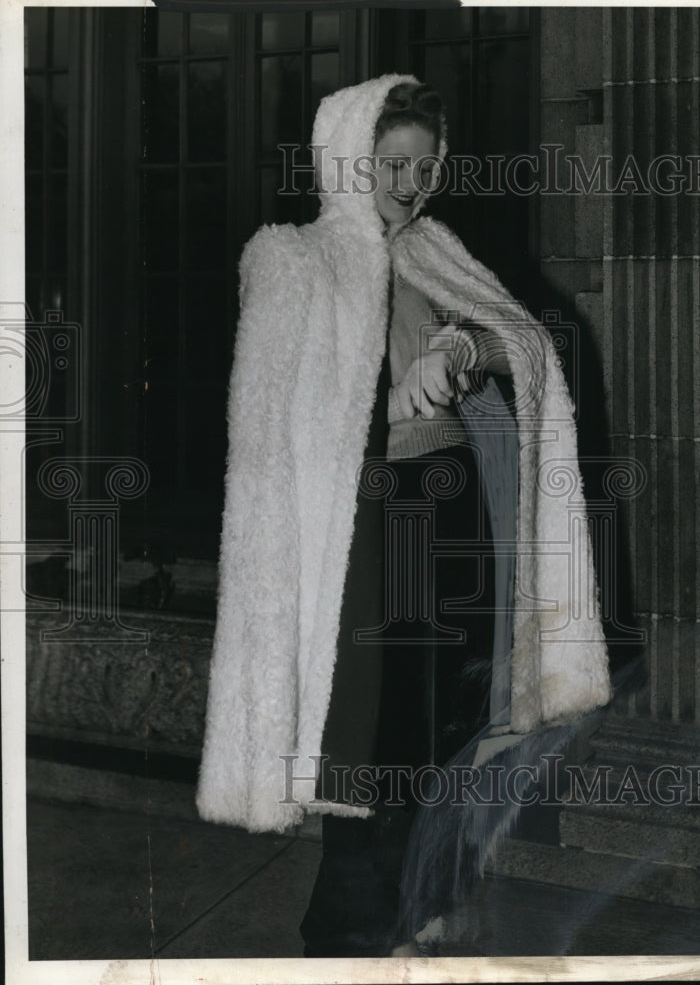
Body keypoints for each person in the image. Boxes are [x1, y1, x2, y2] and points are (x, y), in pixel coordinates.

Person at [196, 74, 612, 956]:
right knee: (364, 742)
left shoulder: (438, 252)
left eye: (425, 164)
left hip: (454, 516)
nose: (410, 181)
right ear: (351, 159)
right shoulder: (291, 257)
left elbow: (529, 347)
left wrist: (468, 345)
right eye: (392, 163)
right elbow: (274, 429)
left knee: (437, 734)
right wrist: (393, 403)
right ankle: (347, 935)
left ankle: (408, 922)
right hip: (368, 529)